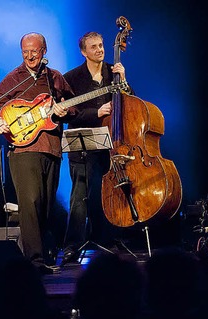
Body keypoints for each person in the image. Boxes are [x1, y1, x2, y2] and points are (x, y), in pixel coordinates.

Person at [0, 32, 75, 273]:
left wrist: (66, 110)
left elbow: (73, 105)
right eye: (25, 51)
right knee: (30, 202)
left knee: (45, 204)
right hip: (23, 149)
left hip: (52, 148)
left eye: (34, 51)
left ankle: (42, 257)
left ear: (44, 51)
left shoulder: (55, 78)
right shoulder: (14, 78)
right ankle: (34, 262)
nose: (29, 56)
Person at [61, 31, 133, 263]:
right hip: (82, 145)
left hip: (112, 145)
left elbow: (132, 105)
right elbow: (66, 113)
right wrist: (96, 113)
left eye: (101, 45)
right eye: (94, 47)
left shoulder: (114, 73)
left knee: (111, 193)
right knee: (79, 196)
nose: (100, 50)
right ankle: (73, 244)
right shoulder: (70, 78)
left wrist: (125, 83)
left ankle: (109, 239)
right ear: (84, 52)